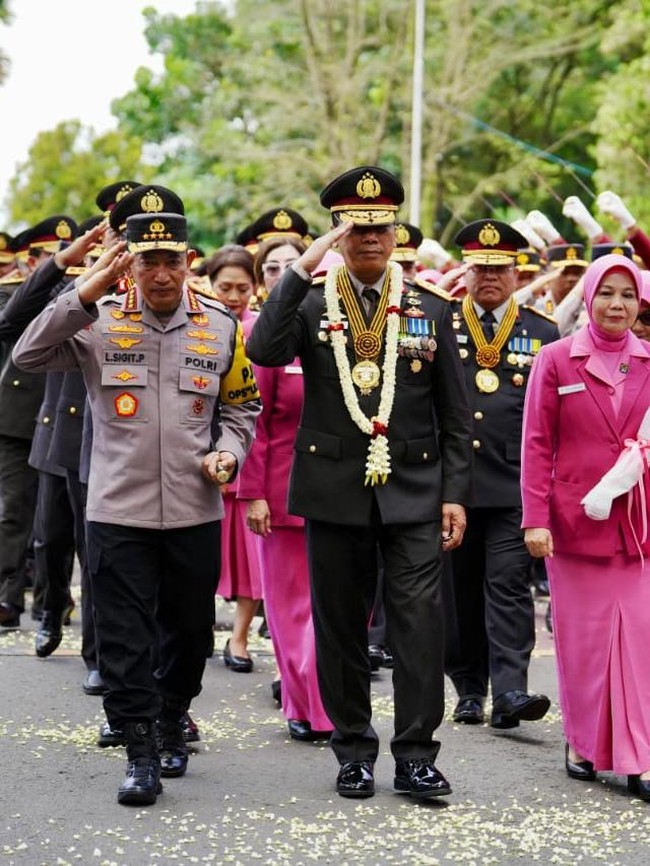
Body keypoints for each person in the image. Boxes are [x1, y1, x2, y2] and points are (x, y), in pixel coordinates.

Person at [13, 210, 261, 807]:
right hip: (116, 510)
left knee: (188, 632)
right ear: (132, 264)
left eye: (170, 260)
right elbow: (26, 352)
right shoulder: (97, 322)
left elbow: (242, 409)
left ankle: (174, 716)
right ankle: (141, 751)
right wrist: (89, 285)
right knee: (124, 639)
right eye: (146, 260)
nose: (160, 273)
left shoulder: (222, 327)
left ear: (188, 262)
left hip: (193, 510)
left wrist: (227, 454)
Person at [247, 165, 472, 800]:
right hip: (333, 487)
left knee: (419, 627)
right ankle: (352, 750)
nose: (370, 238)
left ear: (396, 231)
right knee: (341, 626)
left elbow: (455, 414)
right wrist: (299, 268)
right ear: (339, 236)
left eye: (380, 227)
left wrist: (455, 493)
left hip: (417, 490)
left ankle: (417, 754)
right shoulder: (314, 300)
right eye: (356, 228)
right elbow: (264, 350)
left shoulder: (431, 308)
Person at [521, 253, 650, 799]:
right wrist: (534, 519)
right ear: (590, 297)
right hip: (573, 526)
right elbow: (535, 443)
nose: (616, 304)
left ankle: (639, 755)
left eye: (627, 295)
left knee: (640, 643)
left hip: (640, 525)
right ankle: (582, 742)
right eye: (606, 293)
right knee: (585, 643)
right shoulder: (555, 359)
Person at [443, 219, 559, 730]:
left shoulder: (542, 330)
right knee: (460, 589)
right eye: (481, 267)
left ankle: (511, 691)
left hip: (514, 482)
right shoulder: (441, 323)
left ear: (518, 273)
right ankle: (469, 687)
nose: (490, 276)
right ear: (466, 271)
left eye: (500, 268)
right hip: (455, 484)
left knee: (508, 585)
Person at [238, 231, 333, 741]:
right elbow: (254, 418)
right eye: (271, 268)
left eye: (292, 264)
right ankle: (306, 706)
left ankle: (331, 700)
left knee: (335, 608)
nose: (282, 274)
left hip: (340, 490)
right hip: (283, 494)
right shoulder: (267, 335)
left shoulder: (331, 326)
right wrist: (252, 493)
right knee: (293, 610)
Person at [0, 216, 79, 629]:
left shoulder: (87, 287)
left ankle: (52, 600)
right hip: (18, 414)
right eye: (49, 256)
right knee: (14, 510)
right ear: (30, 260)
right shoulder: (13, 293)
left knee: (58, 521)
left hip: (66, 412)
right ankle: (6, 597)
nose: (61, 260)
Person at [204, 244, 263, 673]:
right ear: (209, 285)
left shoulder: (261, 330)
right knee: (204, 555)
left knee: (251, 558)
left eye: (243, 287)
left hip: (250, 457)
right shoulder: (199, 326)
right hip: (201, 459)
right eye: (225, 286)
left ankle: (239, 636)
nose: (234, 296)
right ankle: (199, 624)